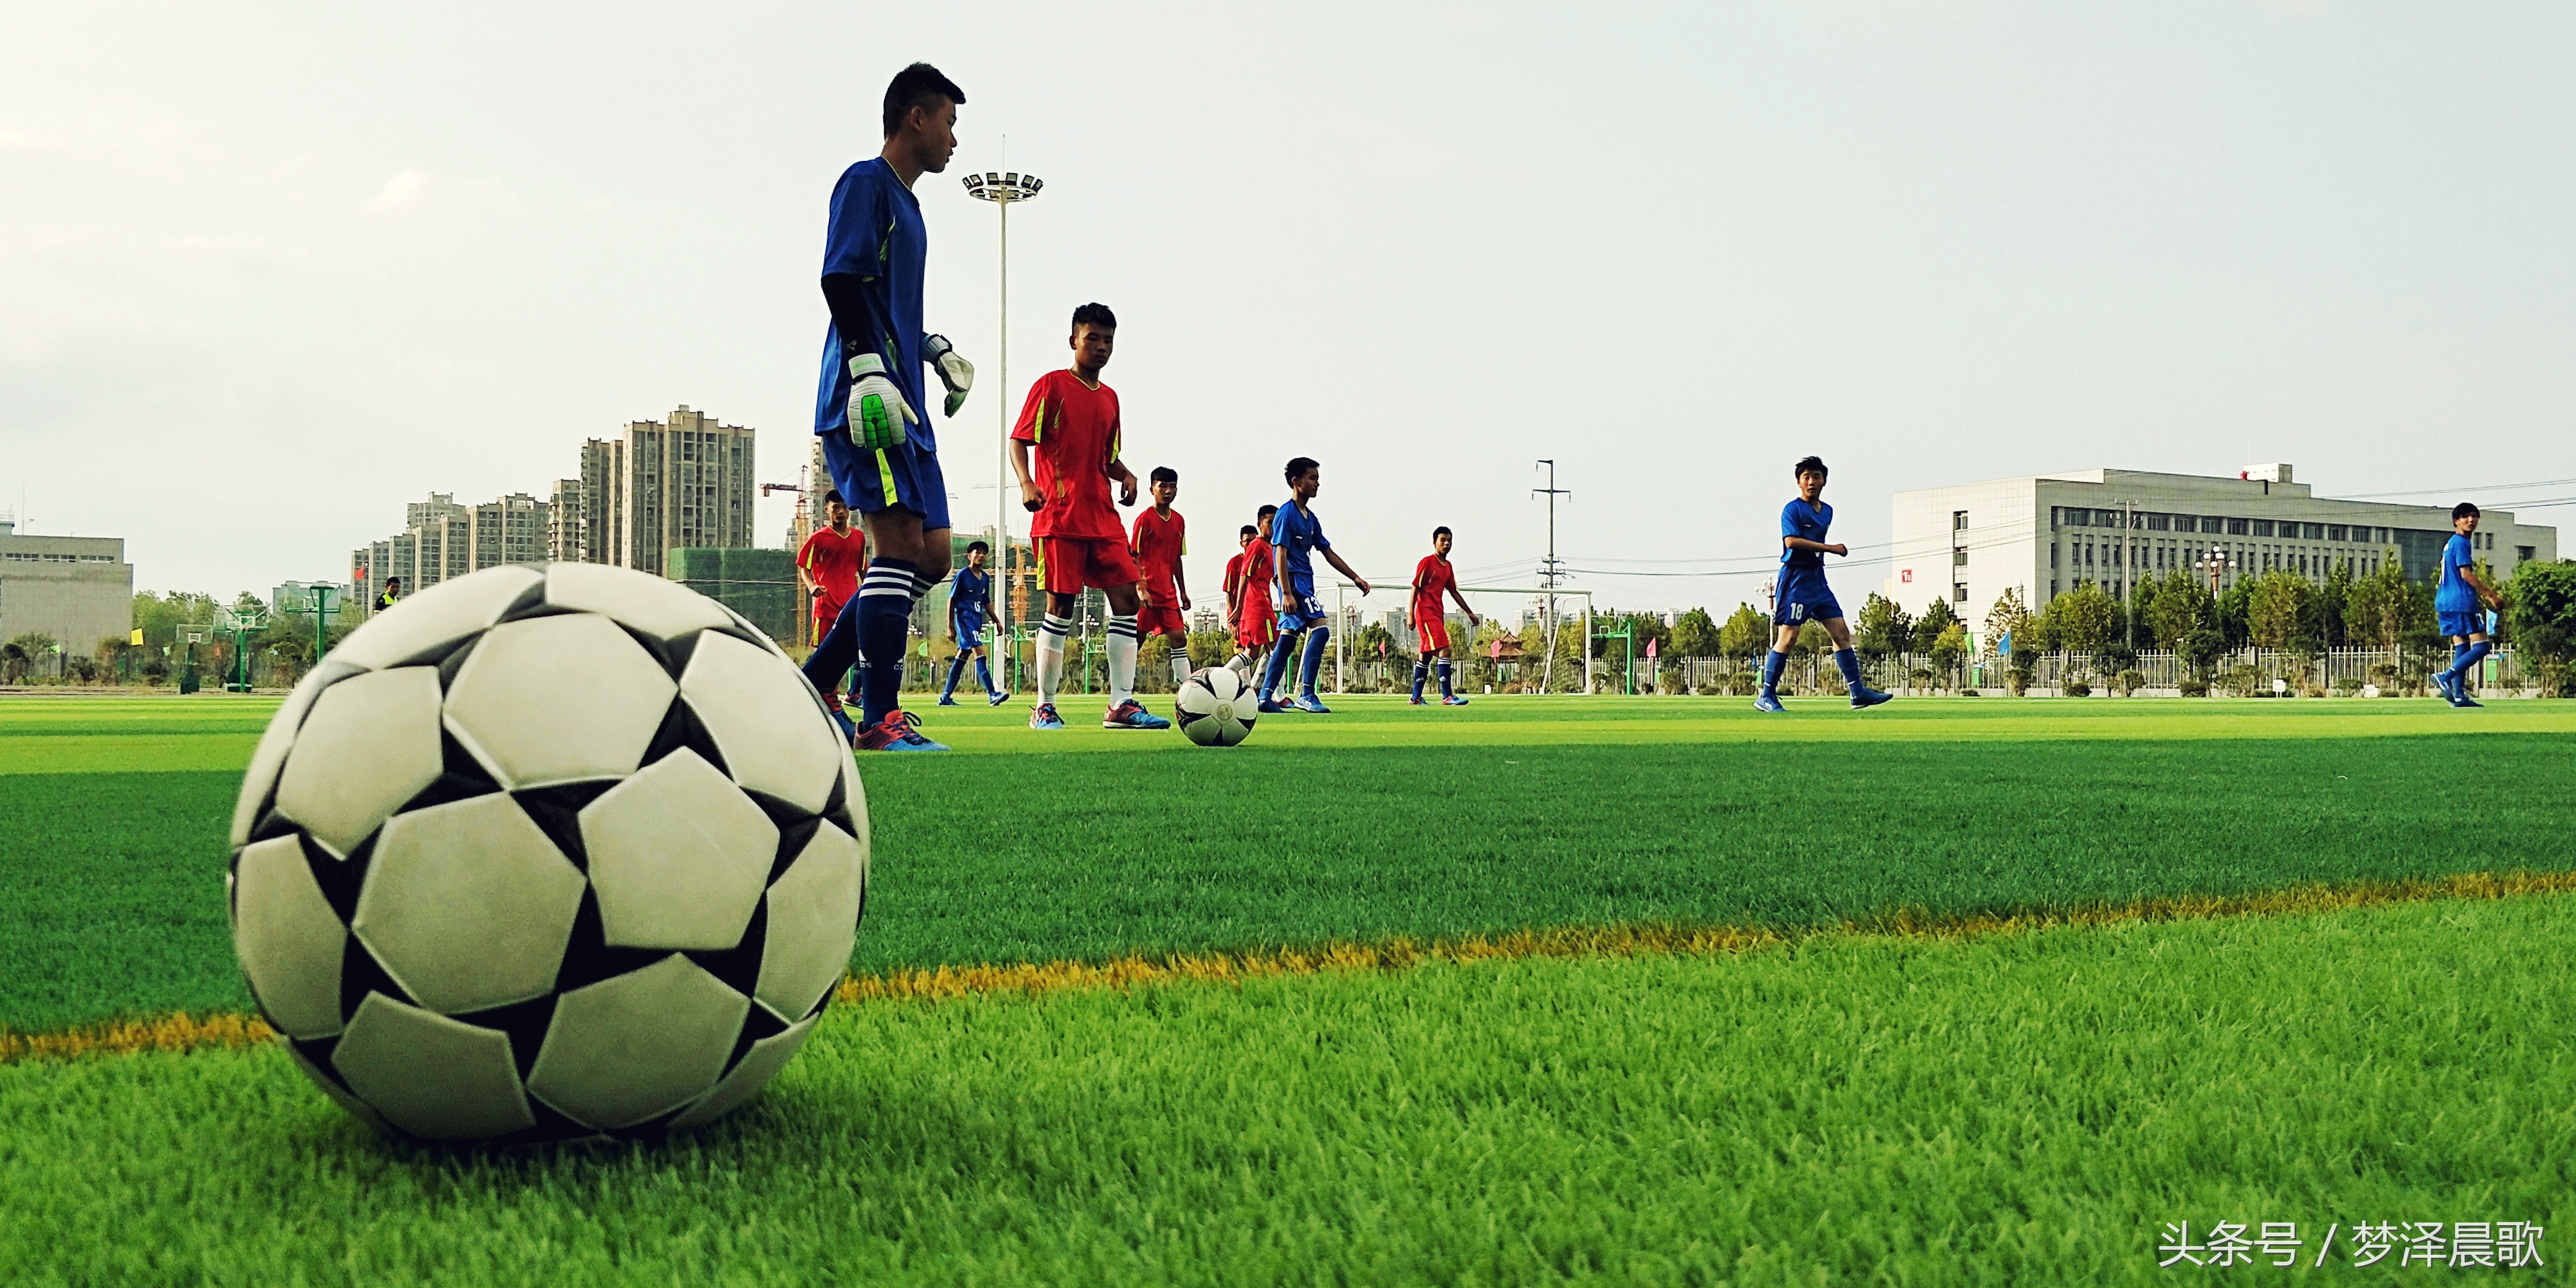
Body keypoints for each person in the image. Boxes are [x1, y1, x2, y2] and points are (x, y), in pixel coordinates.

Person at [800, 62, 980, 753]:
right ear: (916, 118)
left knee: (931, 555)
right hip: (867, 397)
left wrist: (933, 348)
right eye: (950, 123)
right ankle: (879, 718)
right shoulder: (865, 183)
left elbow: (892, 302)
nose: (953, 139)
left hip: (907, 395)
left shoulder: (911, 206)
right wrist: (868, 368)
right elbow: (841, 278)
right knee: (896, 546)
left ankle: (817, 682)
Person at [1010, 302, 1171, 732]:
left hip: (1102, 518)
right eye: (1092, 339)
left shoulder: (1110, 399)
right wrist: (1027, 483)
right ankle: (1044, 706)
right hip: (1059, 517)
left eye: (1108, 341)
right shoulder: (1051, 386)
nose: (1101, 347)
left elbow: (1107, 457)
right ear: (1073, 342)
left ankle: (1121, 704)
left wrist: (1128, 474)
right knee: (1061, 607)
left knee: (1127, 603)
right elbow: (1019, 440)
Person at [1756, 456, 1892, 713]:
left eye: (1816, 477)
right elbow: (1791, 542)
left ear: (1824, 481)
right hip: (1795, 579)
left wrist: (1824, 553)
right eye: (1806, 477)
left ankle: (1858, 692)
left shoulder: (1827, 510)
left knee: (1841, 634)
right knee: (1788, 637)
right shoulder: (1792, 510)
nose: (1811, 481)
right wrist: (1830, 549)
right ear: (1798, 482)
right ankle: (1766, 695)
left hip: (1817, 580)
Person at [1260, 457, 1371, 714]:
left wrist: (1355, 577)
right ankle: (1307, 693)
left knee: (1286, 642)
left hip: (1304, 581)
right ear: (1296, 482)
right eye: (1312, 478)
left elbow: (1327, 551)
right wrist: (1286, 592)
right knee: (1320, 631)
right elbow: (1280, 553)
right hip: (1296, 583)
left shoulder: (1310, 518)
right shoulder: (1286, 514)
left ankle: (1265, 697)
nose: (1317, 484)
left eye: (1318, 479)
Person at [795, 490, 868, 708]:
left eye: (845, 507)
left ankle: (854, 693)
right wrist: (812, 586)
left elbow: (863, 569)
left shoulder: (859, 537)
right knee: (825, 654)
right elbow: (804, 568)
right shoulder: (818, 539)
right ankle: (825, 698)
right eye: (836, 507)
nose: (841, 512)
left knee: (862, 649)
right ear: (827, 510)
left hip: (851, 605)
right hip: (825, 606)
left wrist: (873, 594)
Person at [2430, 502, 2505, 708]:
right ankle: (2445, 676)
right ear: (2456, 521)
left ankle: (2459, 696)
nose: (2471, 520)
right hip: (2462, 601)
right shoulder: (2461, 542)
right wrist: (2491, 595)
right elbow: (2465, 574)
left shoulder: (2450, 543)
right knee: (2482, 646)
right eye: (2465, 517)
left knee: (2462, 645)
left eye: (2474, 516)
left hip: (2445, 601)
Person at [1130, 466, 1194, 688]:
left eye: (1172, 486)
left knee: (1179, 638)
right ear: (1152, 489)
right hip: (1147, 591)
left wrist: (1183, 591)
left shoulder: (1179, 521)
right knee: (1136, 640)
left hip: (1168, 592)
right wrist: (1140, 587)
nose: (1168, 491)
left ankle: (1187, 689)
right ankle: (1123, 689)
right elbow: (1134, 555)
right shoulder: (1144, 520)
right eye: (1163, 486)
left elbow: (1177, 558)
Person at [1408, 526, 1480, 706]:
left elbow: (1454, 592)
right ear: (1435, 543)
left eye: (1449, 540)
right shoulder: (1427, 562)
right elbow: (1416, 587)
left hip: (1437, 613)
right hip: (1425, 613)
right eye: (1443, 540)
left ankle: (1416, 698)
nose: (1447, 543)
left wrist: (1470, 613)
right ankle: (1447, 696)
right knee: (1445, 650)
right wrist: (1410, 614)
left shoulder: (1448, 567)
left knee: (1425, 655)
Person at [938, 539, 1008, 706]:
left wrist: (997, 621)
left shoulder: (985, 578)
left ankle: (945, 697)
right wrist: (950, 626)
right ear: (970, 556)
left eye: (984, 553)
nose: (981, 556)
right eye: (978, 553)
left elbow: (986, 602)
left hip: (976, 620)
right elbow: (951, 600)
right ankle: (992, 694)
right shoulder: (962, 575)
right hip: (964, 619)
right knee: (980, 652)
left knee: (963, 655)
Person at [1230, 506, 1279, 678]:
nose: (1274, 526)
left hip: (1261, 604)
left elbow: (1274, 577)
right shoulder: (1257, 546)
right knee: (1276, 648)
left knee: (1252, 653)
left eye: (1277, 522)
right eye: (1270, 522)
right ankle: (1277, 696)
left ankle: (1220, 677)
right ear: (1260, 524)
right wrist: (1238, 607)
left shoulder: (1271, 547)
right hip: (1258, 606)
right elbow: (1244, 575)